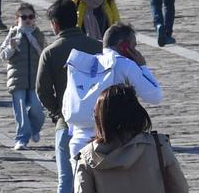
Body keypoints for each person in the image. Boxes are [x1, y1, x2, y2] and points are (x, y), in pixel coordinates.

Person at [37, 0, 102, 193]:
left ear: (55, 24)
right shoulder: (98, 47)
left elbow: (42, 91)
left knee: (66, 179)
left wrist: (58, 112)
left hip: (67, 124)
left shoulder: (51, 52)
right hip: (100, 125)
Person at [63, 24, 163, 159]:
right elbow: (155, 96)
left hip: (79, 143)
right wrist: (143, 66)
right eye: (133, 45)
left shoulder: (81, 66)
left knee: (82, 180)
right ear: (123, 45)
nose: (135, 50)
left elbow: (67, 105)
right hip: (113, 143)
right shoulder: (125, 64)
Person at [1, 3, 46, 149]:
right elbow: (3, 55)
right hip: (17, 78)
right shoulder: (12, 34)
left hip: (35, 79)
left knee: (37, 109)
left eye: (31, 17)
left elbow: (44, 53)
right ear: (17, 19)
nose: (28, 20)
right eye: (24, 17)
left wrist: (33, 41)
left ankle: (34, 128)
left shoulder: (38, 34)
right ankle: (21, 139)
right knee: (20, 109)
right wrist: (11, 47)